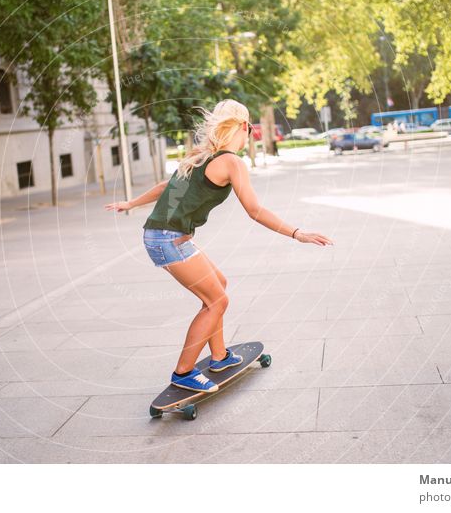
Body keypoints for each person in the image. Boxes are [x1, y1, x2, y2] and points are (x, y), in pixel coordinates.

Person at [104, 99, 334, 393]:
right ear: (242, 127)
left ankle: (220, 357)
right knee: (217, 301)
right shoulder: (231, 162)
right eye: (249, 128)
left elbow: (167, 186)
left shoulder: (200, 156)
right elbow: (254, 210)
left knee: (219, 285)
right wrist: (297, 233)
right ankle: (183, 373)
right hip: (167, 239)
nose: (249, 134)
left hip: (166, 236)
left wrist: (132, 203)